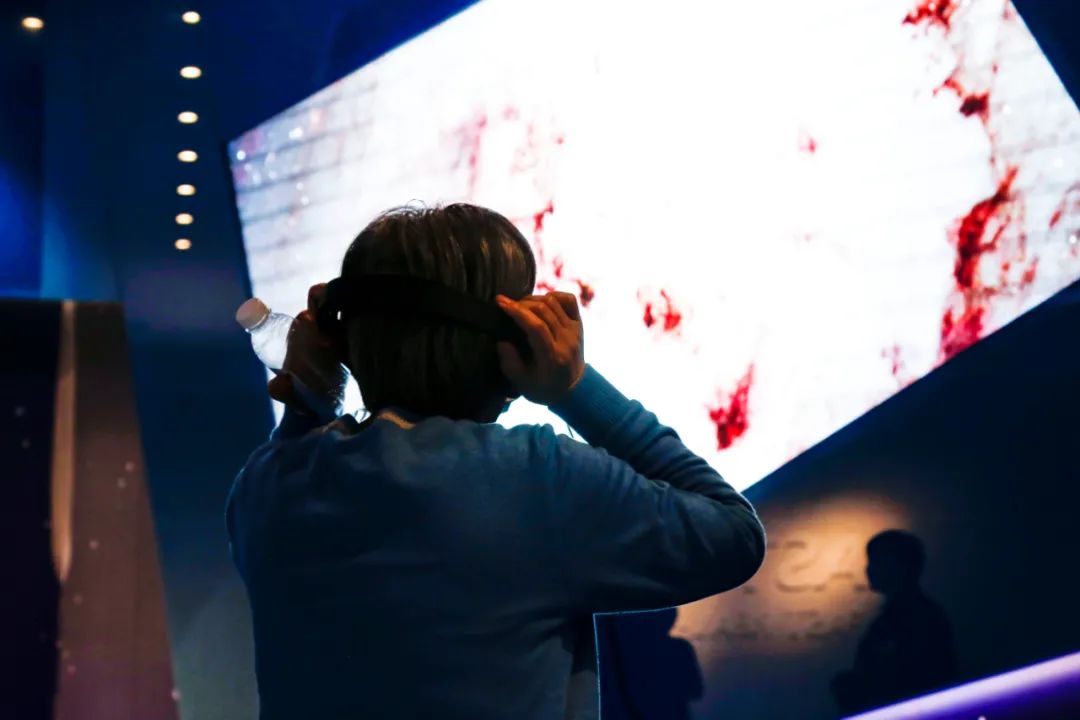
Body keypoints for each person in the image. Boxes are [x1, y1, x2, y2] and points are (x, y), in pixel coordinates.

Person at [226, 204, 766, 719]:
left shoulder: (264, 492)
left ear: (346, 337)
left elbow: (296, 462)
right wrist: (574, 388)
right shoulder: (534, 478)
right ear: (506, 345)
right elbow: (733, 534)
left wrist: (310, 399)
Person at [832, 530, 957, 716]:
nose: (868, 570)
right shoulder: (897, 618)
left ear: (899, 566)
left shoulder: (918, 618)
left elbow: (914, 679)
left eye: (876, 562)